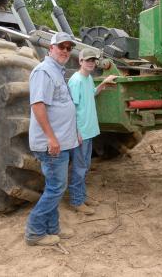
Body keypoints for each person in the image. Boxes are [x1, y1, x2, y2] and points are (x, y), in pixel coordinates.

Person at [25, 32, 79, 246]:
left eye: (68, 48)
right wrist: (51, 138)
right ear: (51, 48)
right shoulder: (44, 72)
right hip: (51, 145)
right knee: (56, 188)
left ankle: (52, 228)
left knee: (53, 187)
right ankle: (35, 232)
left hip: (60, 142)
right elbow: (37, 106)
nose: (65, 51)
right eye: (61, 47)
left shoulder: (57, 71)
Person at [68, 48, 116, 214]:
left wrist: (102, 84)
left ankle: (81, 196)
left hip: (89, 131)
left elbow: (90, 95)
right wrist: (76, 132)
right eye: (87, 60)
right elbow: (71, 108)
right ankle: (76, 201)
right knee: (79, 168)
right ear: (80, 61)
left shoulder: (88, 79)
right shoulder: (76, 81)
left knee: (85, 166)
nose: (91, 63)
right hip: (81, 133)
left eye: (93, 60)